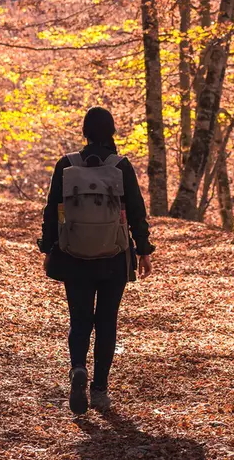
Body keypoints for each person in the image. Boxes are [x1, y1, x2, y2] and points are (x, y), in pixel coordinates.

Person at [38, 106, 154, 415]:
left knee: (79, 320)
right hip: (114, 258)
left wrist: (48, 247)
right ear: (112, 132)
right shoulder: (121, 166)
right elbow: (137, 212)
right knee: (106, 322)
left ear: (85, 132)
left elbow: (53, 209)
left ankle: (78, 368)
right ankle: (99, 389)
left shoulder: (67, 165)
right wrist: (143, 249)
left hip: (74, 256)